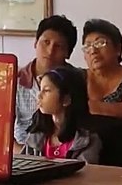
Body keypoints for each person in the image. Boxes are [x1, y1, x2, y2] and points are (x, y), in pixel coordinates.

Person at [13, 15, 79, 148]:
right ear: (35, 42)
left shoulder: (77, 81)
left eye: (58, 46)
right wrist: (23, 154)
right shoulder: (15, 80)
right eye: (46, 42)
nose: (50, 51)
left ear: (68, 53)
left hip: (64, 152)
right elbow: (2, 129)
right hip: (23, 153)